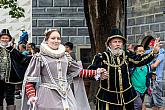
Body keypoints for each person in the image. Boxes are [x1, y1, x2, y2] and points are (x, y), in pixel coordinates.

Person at [21, 28, 99, 110]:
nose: (56, 40)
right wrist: (32, 96)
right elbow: (30, 81)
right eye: (53, 38)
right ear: (47, 40)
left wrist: (96, 72)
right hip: (48, 96)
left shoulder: (66, 57)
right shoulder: (39, 58)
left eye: (58, 38)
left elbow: (78, 72)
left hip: (66, 94)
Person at [88, 27, 160, 110]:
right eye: (115, 42)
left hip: (126, 98)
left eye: (120, 42)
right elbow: (90, 71)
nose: (118, 44)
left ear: (122, 44)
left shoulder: (127, 55)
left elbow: (140, 60)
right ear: (109, 44)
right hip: (107, 98)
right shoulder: (101, 57)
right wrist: (98, 74)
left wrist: (154, 52)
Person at [0, 29, 30, 110]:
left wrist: (33, 58)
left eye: (6, 38)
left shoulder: (13, 50)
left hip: (10, 79)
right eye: (3, 38)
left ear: (9, 39)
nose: (4, 39)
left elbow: (23, 59)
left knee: (10, 98)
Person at [131, 45, 151, 110]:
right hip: (134, 89)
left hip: (143, 89)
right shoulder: (132, 64)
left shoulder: (147, 64)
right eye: (139, 51)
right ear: (135, 52)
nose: (142, 52)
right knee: (138, 105)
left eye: (143, 51)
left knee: (140, 106)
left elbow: (147, 75)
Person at [146, 40, 164, 110]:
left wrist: (145, 65)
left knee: (158, 102)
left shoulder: (161, 55)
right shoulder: (152, 52)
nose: (150, 48)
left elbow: (154, 65)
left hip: (156, 81)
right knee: (152, 103)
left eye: (151, 46)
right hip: (151, 80)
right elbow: (144, 53)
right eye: (150, 46)